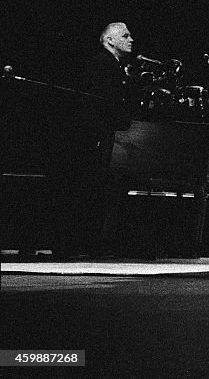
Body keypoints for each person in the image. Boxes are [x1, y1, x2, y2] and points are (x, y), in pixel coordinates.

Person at [59, 22, 134, 258]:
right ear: (109, 40)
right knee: (91, 189)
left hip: (95, 136)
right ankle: (86, 243)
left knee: (93, 189)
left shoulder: (110, 65)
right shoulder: (104, 65)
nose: (131, 39)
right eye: (125, 35)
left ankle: (87, 242)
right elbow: (102, 103)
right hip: (94, 138)